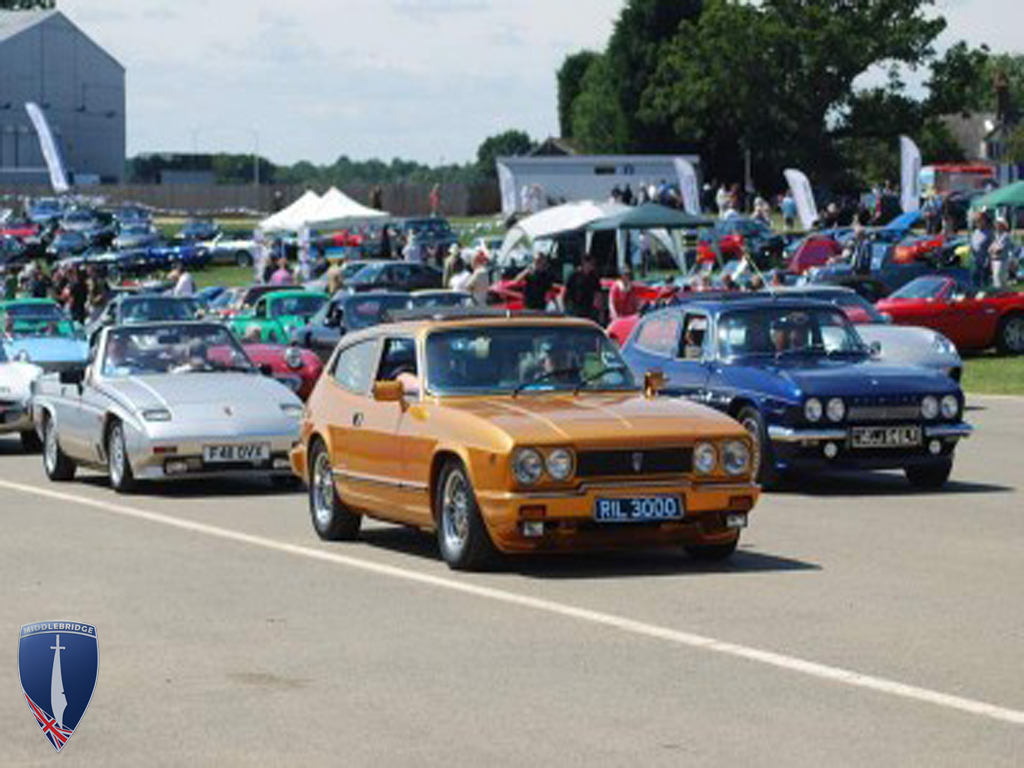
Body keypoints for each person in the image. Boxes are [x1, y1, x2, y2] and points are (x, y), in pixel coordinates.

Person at [563, 255, 601, 320]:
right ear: (584, 264)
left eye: (592, 264)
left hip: (589, 308)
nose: (591, 266)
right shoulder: (574, 275)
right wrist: (567, 307)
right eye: (589, 264)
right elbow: (566, 292)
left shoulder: (594, 276)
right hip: (575, 307)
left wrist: (599, 307)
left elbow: (598, 292)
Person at [990, 217, 1016, 289]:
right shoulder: (996, 235)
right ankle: (1000, 295)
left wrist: (994, 249)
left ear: (1002, 225)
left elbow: (998, 249)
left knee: (1000, 279)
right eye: (996, 224)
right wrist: (993, 249)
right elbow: (990, 249)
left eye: (998, 224)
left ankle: (1004, 296)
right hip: (994, 260)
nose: (996, 225)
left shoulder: (1006, 236)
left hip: (1002, 260)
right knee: (996, 279)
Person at [970, 211, 994, 289]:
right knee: (974, 282)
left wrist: (988, 261)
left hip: (984, 263)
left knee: (985, 283)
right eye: (976, 221)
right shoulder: (975, 232)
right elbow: (972, 245)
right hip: (975, 262)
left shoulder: (989, 233)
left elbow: (992, 248)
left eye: (979, 220)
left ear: (984, 221)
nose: (978, 223)